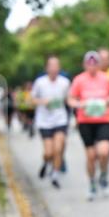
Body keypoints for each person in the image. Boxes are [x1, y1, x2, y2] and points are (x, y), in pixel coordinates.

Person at [68, 51, 109, 201]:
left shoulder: (106, 79)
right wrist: (79, 104)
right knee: (90, 156)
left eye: (95, 63)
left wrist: (107, 101)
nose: (92, 66)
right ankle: (92, 183)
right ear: (85, 65)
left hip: (104, 119)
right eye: (89, 64)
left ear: (99, 64)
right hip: (86, 121)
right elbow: (71, 99)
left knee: (103, 152)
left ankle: (103, 175)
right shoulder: (79, 80)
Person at [31, 55, 70, 189]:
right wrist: (43, 102)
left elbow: (68, 99)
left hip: (60, 119)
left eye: (56, 66)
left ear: (59, 68)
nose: (54, 68)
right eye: (51, 66)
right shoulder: (40, 82)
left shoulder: (65, 82)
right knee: (49, 153)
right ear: (47, 68)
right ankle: (46, 163)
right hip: (44, 121)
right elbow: (32, 99)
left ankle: (55, 175)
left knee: (58, 149)